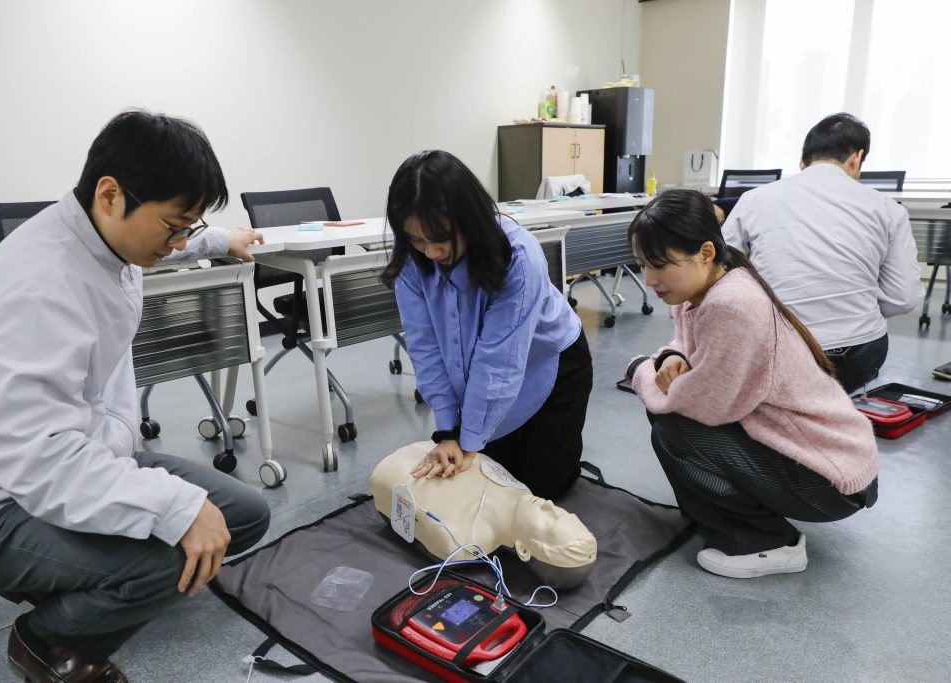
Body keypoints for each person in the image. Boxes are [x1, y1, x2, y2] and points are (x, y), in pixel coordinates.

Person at [0, 111, 270, 683]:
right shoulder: (37, 287)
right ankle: (46, 640)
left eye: (189, 225)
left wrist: (218, 239)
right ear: (111, 195)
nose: (179, 242)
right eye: (174, 227)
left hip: (82, 451)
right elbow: (32, 459)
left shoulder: (111, 237)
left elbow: (171, 236)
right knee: (175, 545)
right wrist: (175, 510)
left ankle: (84, 580)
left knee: (243, 515)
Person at [623, 189, 879, 579]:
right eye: (642, 264)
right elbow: (687, 345)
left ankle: (768, 543)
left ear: (705, 252)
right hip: (826, 459)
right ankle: (731, 520)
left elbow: (703, 405)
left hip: (831, 479)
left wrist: (641, 369)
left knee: (675, 429)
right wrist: (668, 357)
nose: (649, 279)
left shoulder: (730, 305)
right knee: (671, 419)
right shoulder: (713, 282)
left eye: (660, 264)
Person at [381, 150, 593, 501]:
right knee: (489, 482)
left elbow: (500, 360)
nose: (431, 252)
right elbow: (425, 346)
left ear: (469, 218)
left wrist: (469, 440)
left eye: (440, 238)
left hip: (552, 365)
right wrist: (448, 431)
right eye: (417, 240)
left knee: (540, 488)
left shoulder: (518, 256)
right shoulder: (411, 261)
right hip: (492, 375)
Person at [721, 113, 923, 392]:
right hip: (860, 355)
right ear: (857, 157)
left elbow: (721, 272)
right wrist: (856, 305)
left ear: (803, 162)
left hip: (779, 349)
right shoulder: (888, 208)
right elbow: (905, 298)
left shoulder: (754, 199)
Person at [371, 441, 597, 589]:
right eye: (562, 511)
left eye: (550, 521)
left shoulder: (458, 541)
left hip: (391, 467)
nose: (549, 505)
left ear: (524, 549)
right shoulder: (521, 490)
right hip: (432, 446)